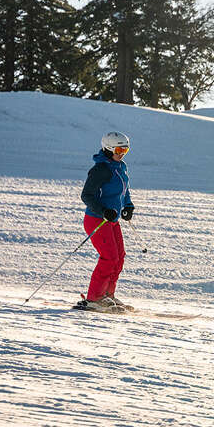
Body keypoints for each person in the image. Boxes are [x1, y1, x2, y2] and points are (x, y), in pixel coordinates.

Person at [79, 132, 135, 312]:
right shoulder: (101, 169)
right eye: (119, 150)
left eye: (125, 150)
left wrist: (128, 206)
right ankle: (94, 298)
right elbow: (86, 195)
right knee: (109, 258)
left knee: (119, 257)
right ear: (109, 149)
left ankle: (107, 296)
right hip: (97, 219)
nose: (122, 153)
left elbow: (124, 190)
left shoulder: (121, 166)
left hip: (112, 219)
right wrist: (103, 211)